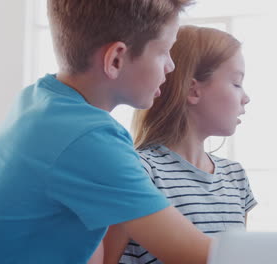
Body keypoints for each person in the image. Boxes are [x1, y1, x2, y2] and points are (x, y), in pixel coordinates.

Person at [0, 1, 213, 263]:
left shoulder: (40, 100)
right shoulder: (88, 137)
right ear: (115, 59)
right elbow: (195, 255)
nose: (171, 66)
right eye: (164, 52)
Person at [103, 25, 257, 264]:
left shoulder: (235, 177)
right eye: (237, 83)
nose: (246, 97)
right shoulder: (138, 172)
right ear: (193, 89)